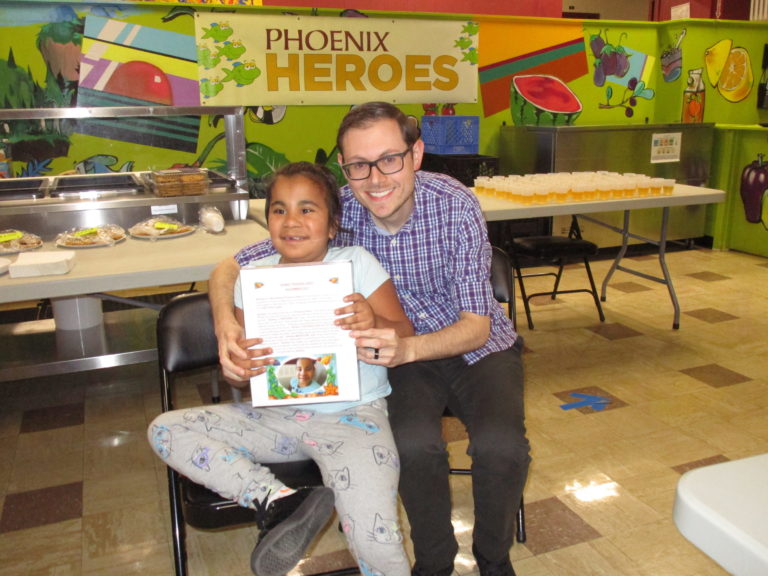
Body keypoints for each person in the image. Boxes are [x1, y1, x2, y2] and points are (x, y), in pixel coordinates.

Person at [209, 102, 530, 576]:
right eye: (358, 165)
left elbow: (477, 326)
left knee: (503, 447)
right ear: (344, 167)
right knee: (414, 445)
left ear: (416, 154)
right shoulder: (337, 211)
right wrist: (225, 325)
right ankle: (435, 563)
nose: (375, 179)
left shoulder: (455, 204)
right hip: (399, 358)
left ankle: (493, 558)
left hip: (474, 347)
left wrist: (408, 347)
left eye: (389, 159)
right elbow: (228, 267)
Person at [149, 161, 413, 576]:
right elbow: (242, 372)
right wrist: (239, 368)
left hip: (354, 419)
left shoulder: (356, 263)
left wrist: (373, 322)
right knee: (165, 428)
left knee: (376, 538)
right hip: (278, 420)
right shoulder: (253, 281)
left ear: (332, 225)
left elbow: (402, 332)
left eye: (308, 210)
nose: (292, 222)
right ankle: (277, 501)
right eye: (279, 210)